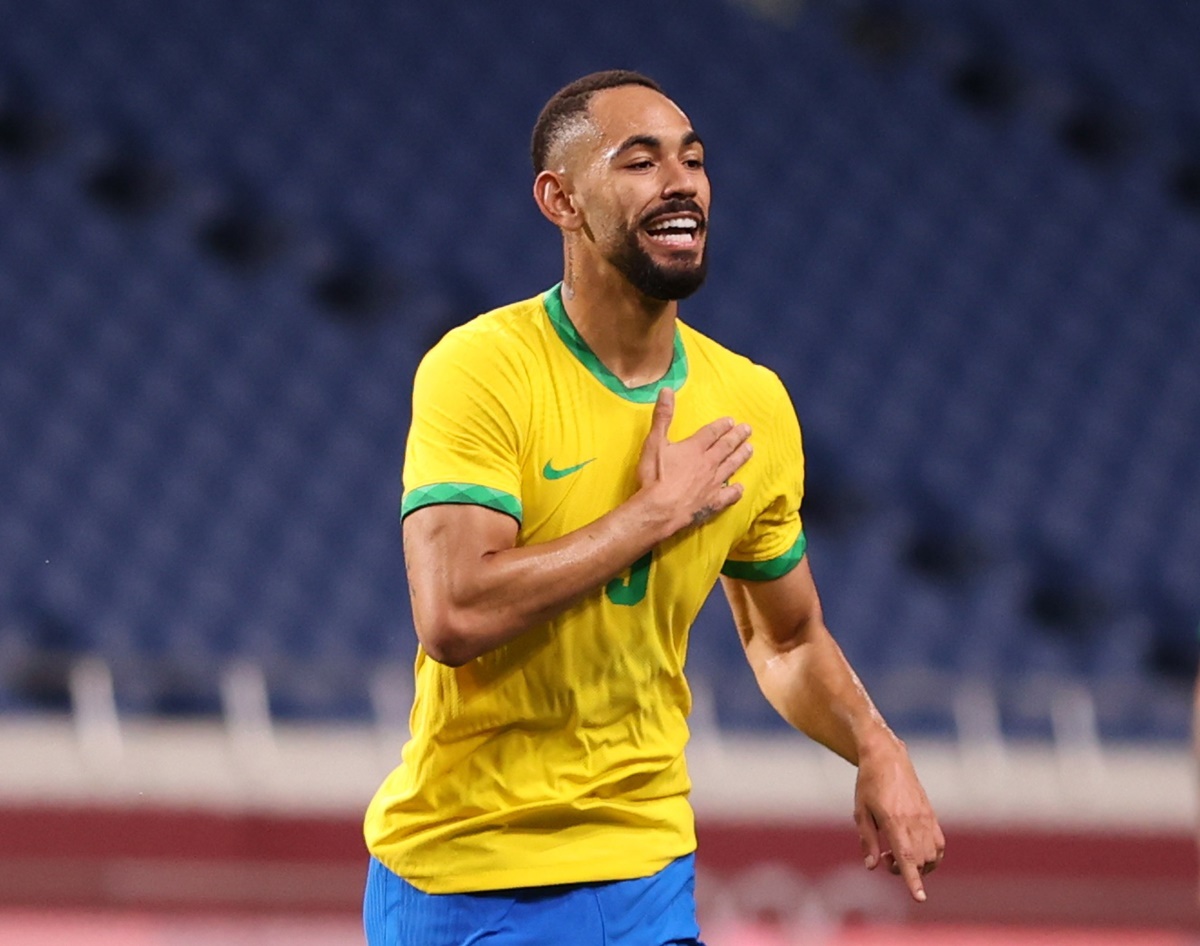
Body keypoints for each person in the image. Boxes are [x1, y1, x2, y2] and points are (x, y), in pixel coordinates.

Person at [363, 69, 945, 946]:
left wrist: (876, 745)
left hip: (646, 870)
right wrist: (648, 517)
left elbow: (785, 638)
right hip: (467, 876)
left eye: (695, 160)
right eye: (640, 162)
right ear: (560, 199)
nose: (681, 183)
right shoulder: (480, 368)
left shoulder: (749, 403)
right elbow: (452, 611)